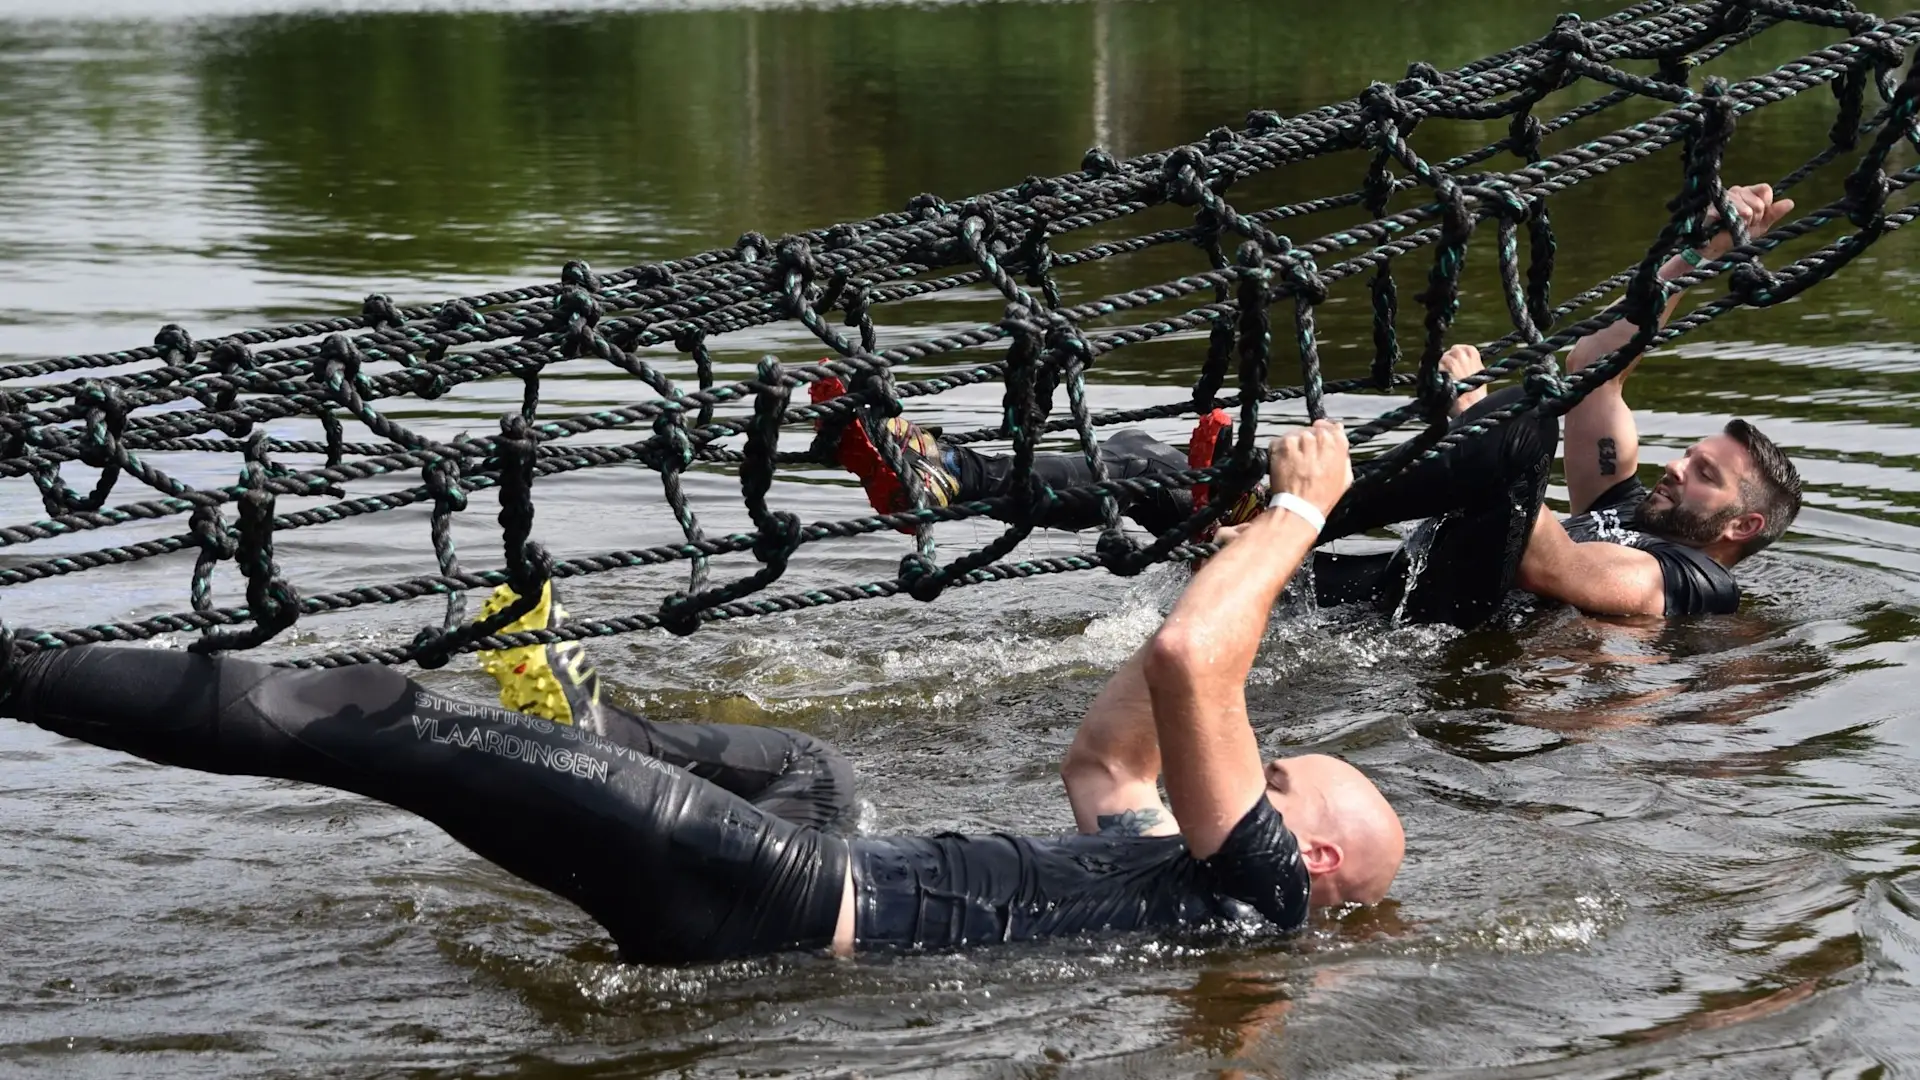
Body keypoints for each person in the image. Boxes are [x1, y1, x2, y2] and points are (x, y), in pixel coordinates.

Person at [0, 421, 1402, 966]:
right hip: (827, 857)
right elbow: (1115, 754)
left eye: (1277, 779)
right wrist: (1219, 560)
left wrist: (1297, 515)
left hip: (771, 902)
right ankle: (580, 720)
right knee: (815, 769)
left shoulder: (1257, 893)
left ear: (1311, 852)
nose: (1256, 766)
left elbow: (1190, 669)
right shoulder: (1172, 873)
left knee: (394, 722)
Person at [821, 183, 1805, 626]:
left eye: (1706, 473)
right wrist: (1699, 251)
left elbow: (1565, 574)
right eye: (1692, 453)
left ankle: (1277, 502)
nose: (1680, 464)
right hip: (1374, 593)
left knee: (1521, 426)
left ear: (1742, 525)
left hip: (1458, 620)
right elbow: (1605, 367)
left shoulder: (1693, 587)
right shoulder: (1632, 499)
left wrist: (1467, 419)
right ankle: (949, 476)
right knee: (1175, 479)